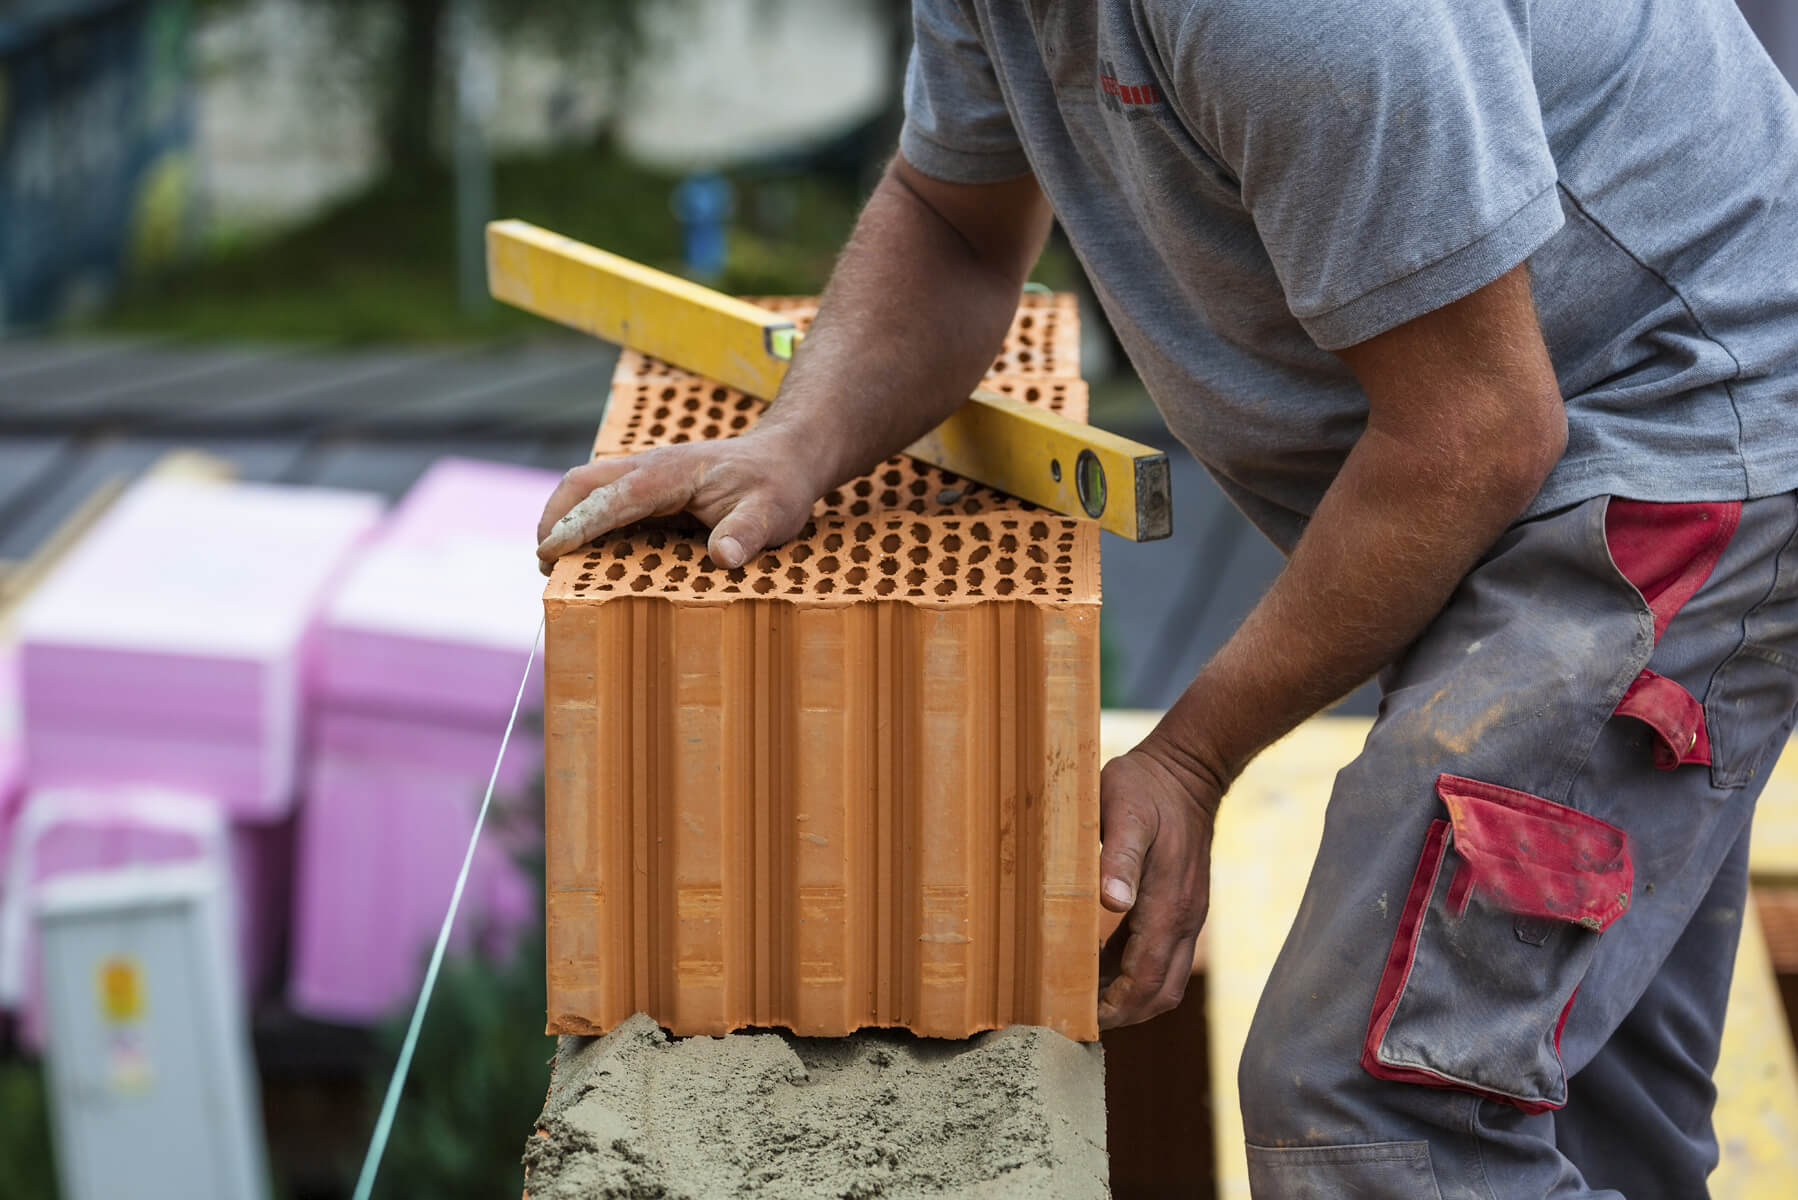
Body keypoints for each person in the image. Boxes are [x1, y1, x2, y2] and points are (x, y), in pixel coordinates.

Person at [535, 2, 1798, 1195]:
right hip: (1550, 440)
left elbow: (1473, 430)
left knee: (1376, 1097)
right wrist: (793, 445)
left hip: (1686, 460)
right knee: (1559, 1083)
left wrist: (1190, 759)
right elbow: (953, 219)